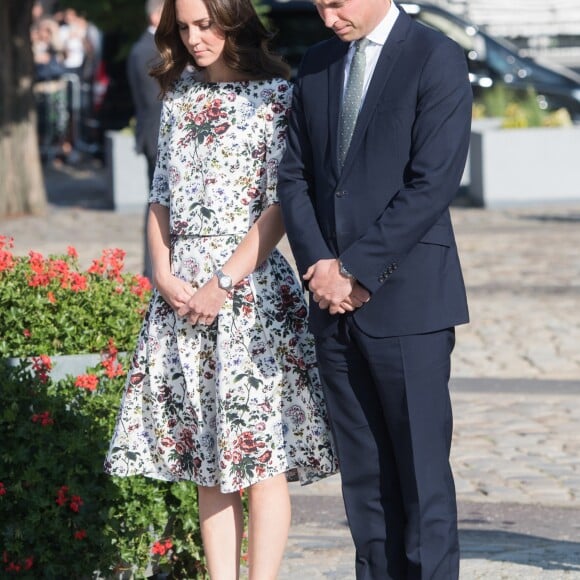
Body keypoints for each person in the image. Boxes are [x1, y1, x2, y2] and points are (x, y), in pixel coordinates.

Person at [104, 0, 338, 578]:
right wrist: (161, 271)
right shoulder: (178, 97)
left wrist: (223, 282)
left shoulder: (277, 97)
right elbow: (159, 195)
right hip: (180, 296)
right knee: (210, 462)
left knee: (261, 459)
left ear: (233, 22)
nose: (195, 39)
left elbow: (282, 204)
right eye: (184, 28)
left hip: (250, 293)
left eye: (205, 25)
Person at [277, 0, 472, 578]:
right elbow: (294, 175)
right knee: (364, 483)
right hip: (332, 306)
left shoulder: (436, 56)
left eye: (336, 2)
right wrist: (319, 267)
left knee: (422, 481)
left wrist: (356, 269)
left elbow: (433, 181)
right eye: (318, 2)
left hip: (409, 302)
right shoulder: (315, 63)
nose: (326, 14)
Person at [127, 0, 165, 280]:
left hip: (155, 135)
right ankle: (152, 271)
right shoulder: (147, 50)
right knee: (158, 205)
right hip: (158, 136)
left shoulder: (153, 48)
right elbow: (157, 103)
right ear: (155, 15)